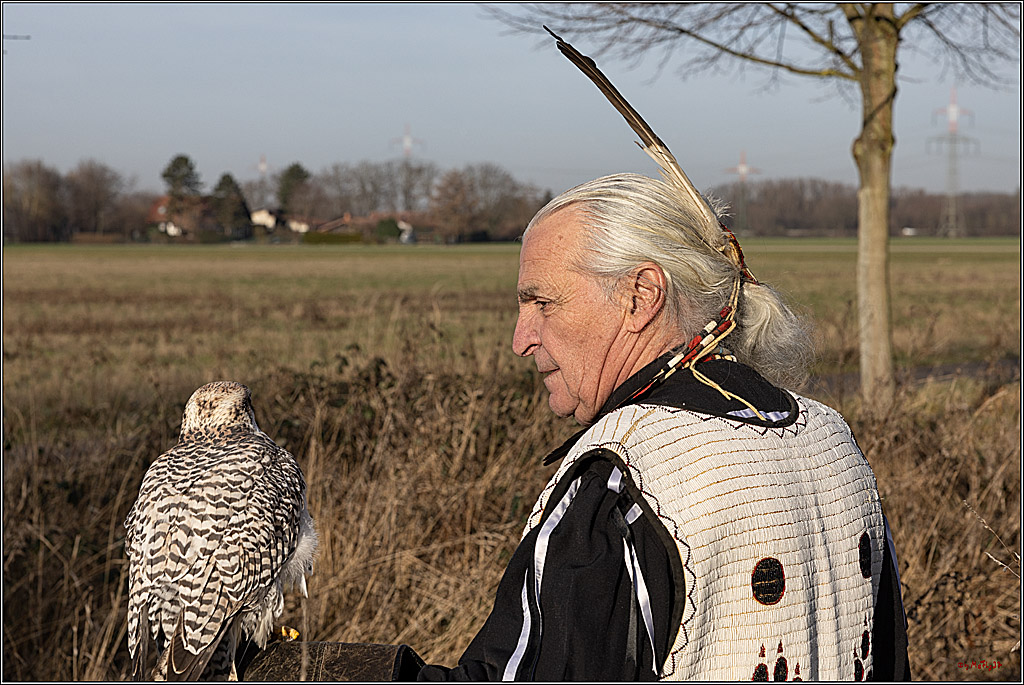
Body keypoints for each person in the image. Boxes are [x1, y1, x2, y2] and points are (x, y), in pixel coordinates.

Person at [416, 173, 910, 681]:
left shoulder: (622, 477)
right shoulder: (830, 438)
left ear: (641, 295)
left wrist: (338, 667)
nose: (521, 339)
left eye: (542, 303)